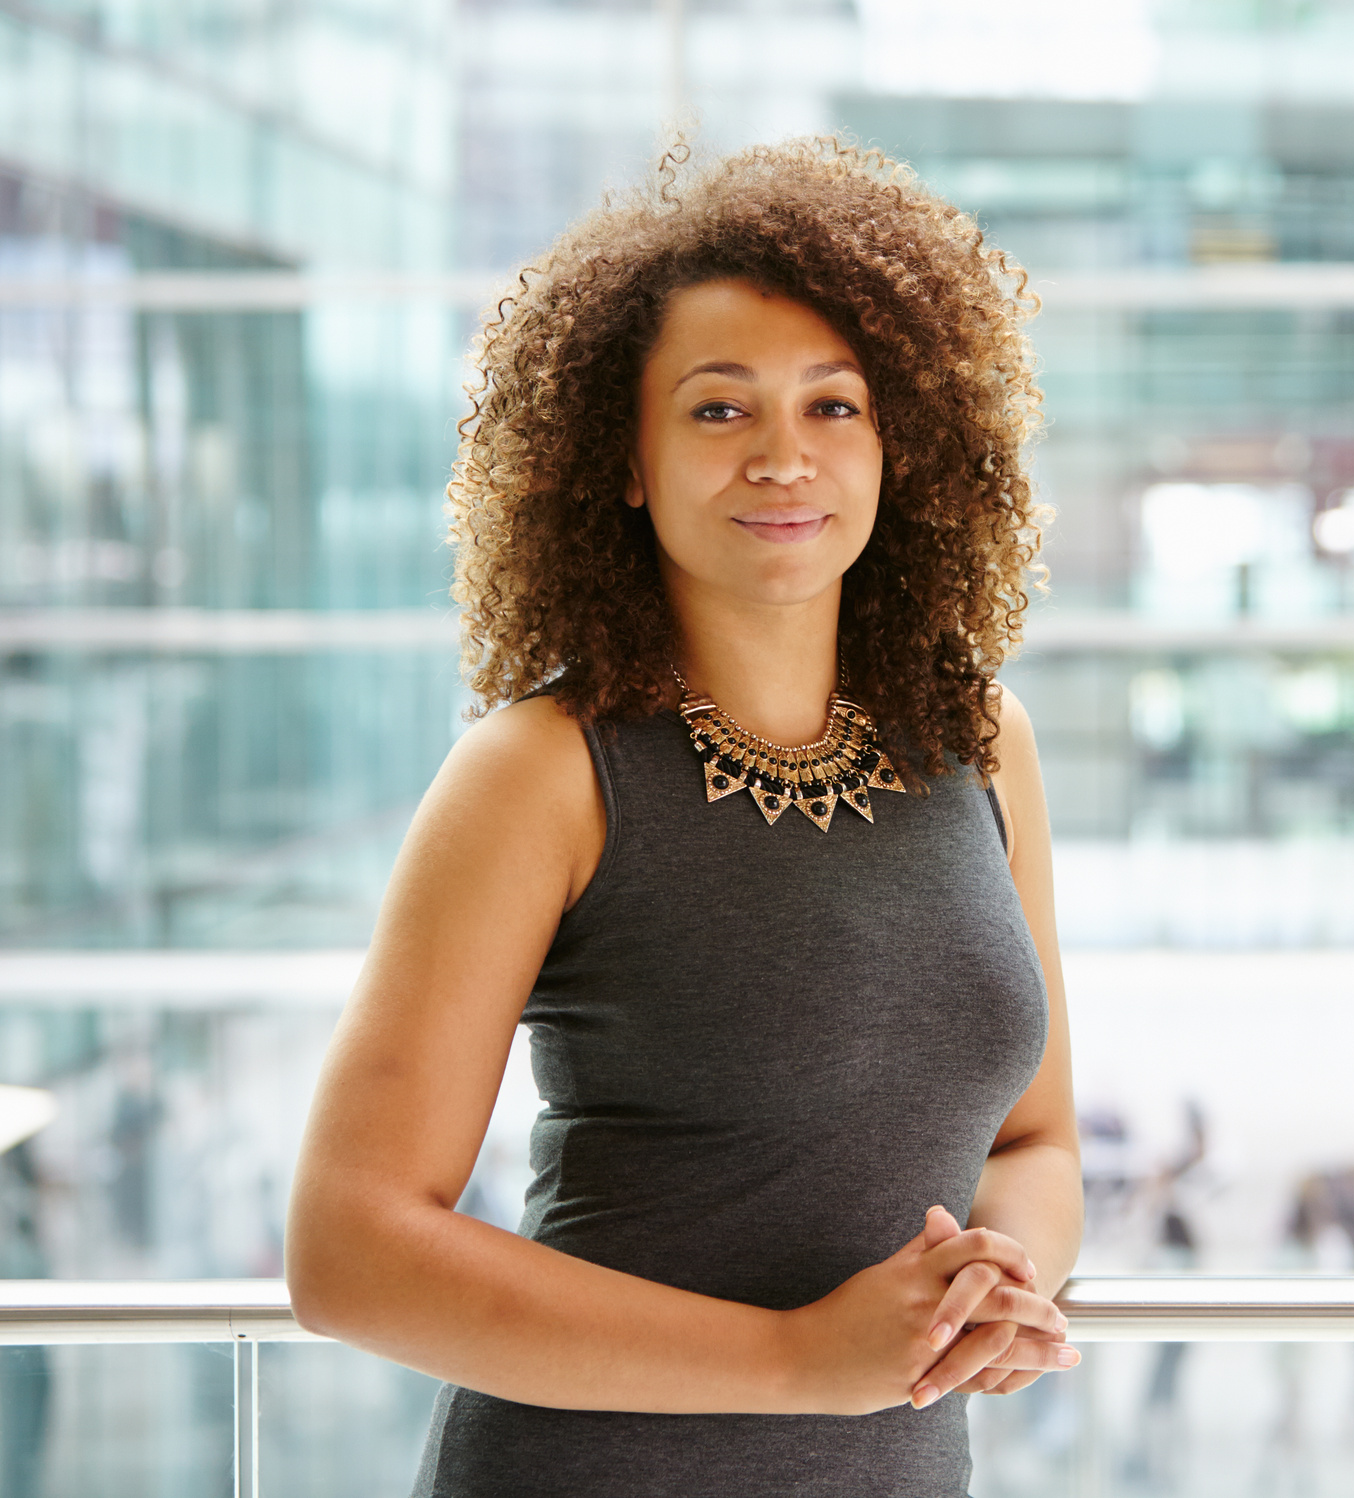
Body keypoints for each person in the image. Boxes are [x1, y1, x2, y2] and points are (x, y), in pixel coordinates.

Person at [284, 138, 1083, 1498]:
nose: (786, 454)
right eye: (720, 410)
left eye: (836, 407)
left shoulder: (981, 742)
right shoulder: (540, 771)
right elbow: (349, 1248)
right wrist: (792, 1357)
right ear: (629, 463)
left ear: (906, 448)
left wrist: (998, 1281)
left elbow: (1036, 1140)